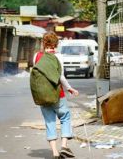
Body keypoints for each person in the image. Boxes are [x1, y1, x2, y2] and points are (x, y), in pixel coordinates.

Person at [33, 31, 79, 159]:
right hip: (58, 94)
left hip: (42, 95)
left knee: (49, 122)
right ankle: (64, 146)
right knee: (65, 117)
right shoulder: (58, 57)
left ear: (43, 43)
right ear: (56, 44)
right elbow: (61, 77)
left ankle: (54, 153)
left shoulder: (36, 56)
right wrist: (70, 89)